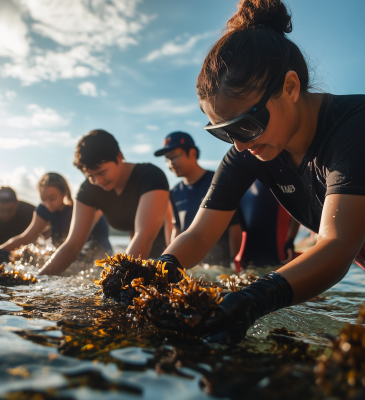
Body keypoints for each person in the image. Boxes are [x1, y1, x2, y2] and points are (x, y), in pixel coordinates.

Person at [155, 0, 365, 344]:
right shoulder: (256, 146)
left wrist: (255, 299)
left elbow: (338, 244)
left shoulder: (355, 127)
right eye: (224, 132)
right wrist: (158, 271)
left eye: (245, 124)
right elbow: (199, 235)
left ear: (291, 87)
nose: (237, 145)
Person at [38, 129, 170, 275]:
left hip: (167, 256)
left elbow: (144, 237)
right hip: (134, 255)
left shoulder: (151, 177)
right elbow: (73, 245)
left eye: (102, 172)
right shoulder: (89, 189)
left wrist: (117, 280)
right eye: (90, 176)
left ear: (119, 157)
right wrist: (39, 279)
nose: (98, 181)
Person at [154, 131, 242, 267]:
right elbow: (176, 228)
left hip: (220, 267)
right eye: (167, 159)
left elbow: (235, 226)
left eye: (174, 157)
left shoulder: (218, 182)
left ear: (193, 153)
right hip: (190, 267)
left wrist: (234, 261)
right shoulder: (174, 192)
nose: (170, 163)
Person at [0, 173, 112, 256]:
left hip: (98, 253)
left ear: (64, 193)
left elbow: (74, 246)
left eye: (52, 198)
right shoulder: (44, 209)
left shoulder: (82, 209)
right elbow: (26, 237)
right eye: (44, 199)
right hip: (68, 252)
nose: (48, 204)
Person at [236, 179, 301, 270]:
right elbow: (238, 221)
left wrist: (290, 241)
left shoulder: (280, 175)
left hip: (279, 257)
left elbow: (298, 209)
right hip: (247, 260)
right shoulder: (239, 179)